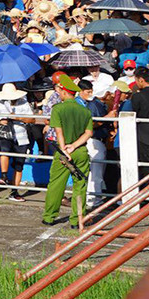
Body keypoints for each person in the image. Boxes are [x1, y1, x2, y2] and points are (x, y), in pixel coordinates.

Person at [43, 73, 93, 228]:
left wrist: (65, 148)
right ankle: (77, 219)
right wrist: (75, 145)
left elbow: (59, 132)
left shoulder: (58, 108)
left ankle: (49, 216)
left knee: (56, 184)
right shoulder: (85, 111)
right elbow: (88, 133)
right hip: (80, 151)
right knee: (80, 185)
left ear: (64, 92)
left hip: (63, 151)